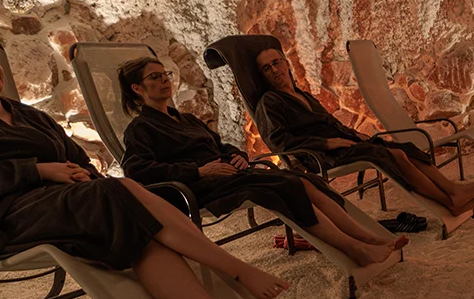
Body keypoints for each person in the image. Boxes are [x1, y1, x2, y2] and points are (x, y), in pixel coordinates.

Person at [0, 39, 290, 299]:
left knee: (140, 236)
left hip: (64, 204)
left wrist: (78, 174)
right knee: (119, 191)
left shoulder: (30, 117)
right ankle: (236, 269)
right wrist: (38, 170)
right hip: (0, 219)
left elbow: (76, 161)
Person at [118, 58, 406, 266]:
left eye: (164, 73)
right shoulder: (141, 129)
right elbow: (136, 171)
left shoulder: (187, 119)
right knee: (286, 186)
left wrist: (238, 156)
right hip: (202, 187)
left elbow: (222, 146)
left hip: (231, 175)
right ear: (137, 89)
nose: (164, 80)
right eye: (153, 77)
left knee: (304, 180)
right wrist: (198, 170)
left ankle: (367, 239)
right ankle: (353, 248)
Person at [252, 47, 474, 215]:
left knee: (404, 148)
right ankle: (447, 201)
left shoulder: (302, 95)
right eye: (266, 69)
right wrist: (326, 144)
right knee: (392, 156)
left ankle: (452, 190)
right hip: (319, 155)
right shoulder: (269, 103)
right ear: (263, 76)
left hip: (344, 143)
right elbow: (279, 143)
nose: (273, 70)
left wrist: (354, 135)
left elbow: (330, 123)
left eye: (276, 63)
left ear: (285, 62)